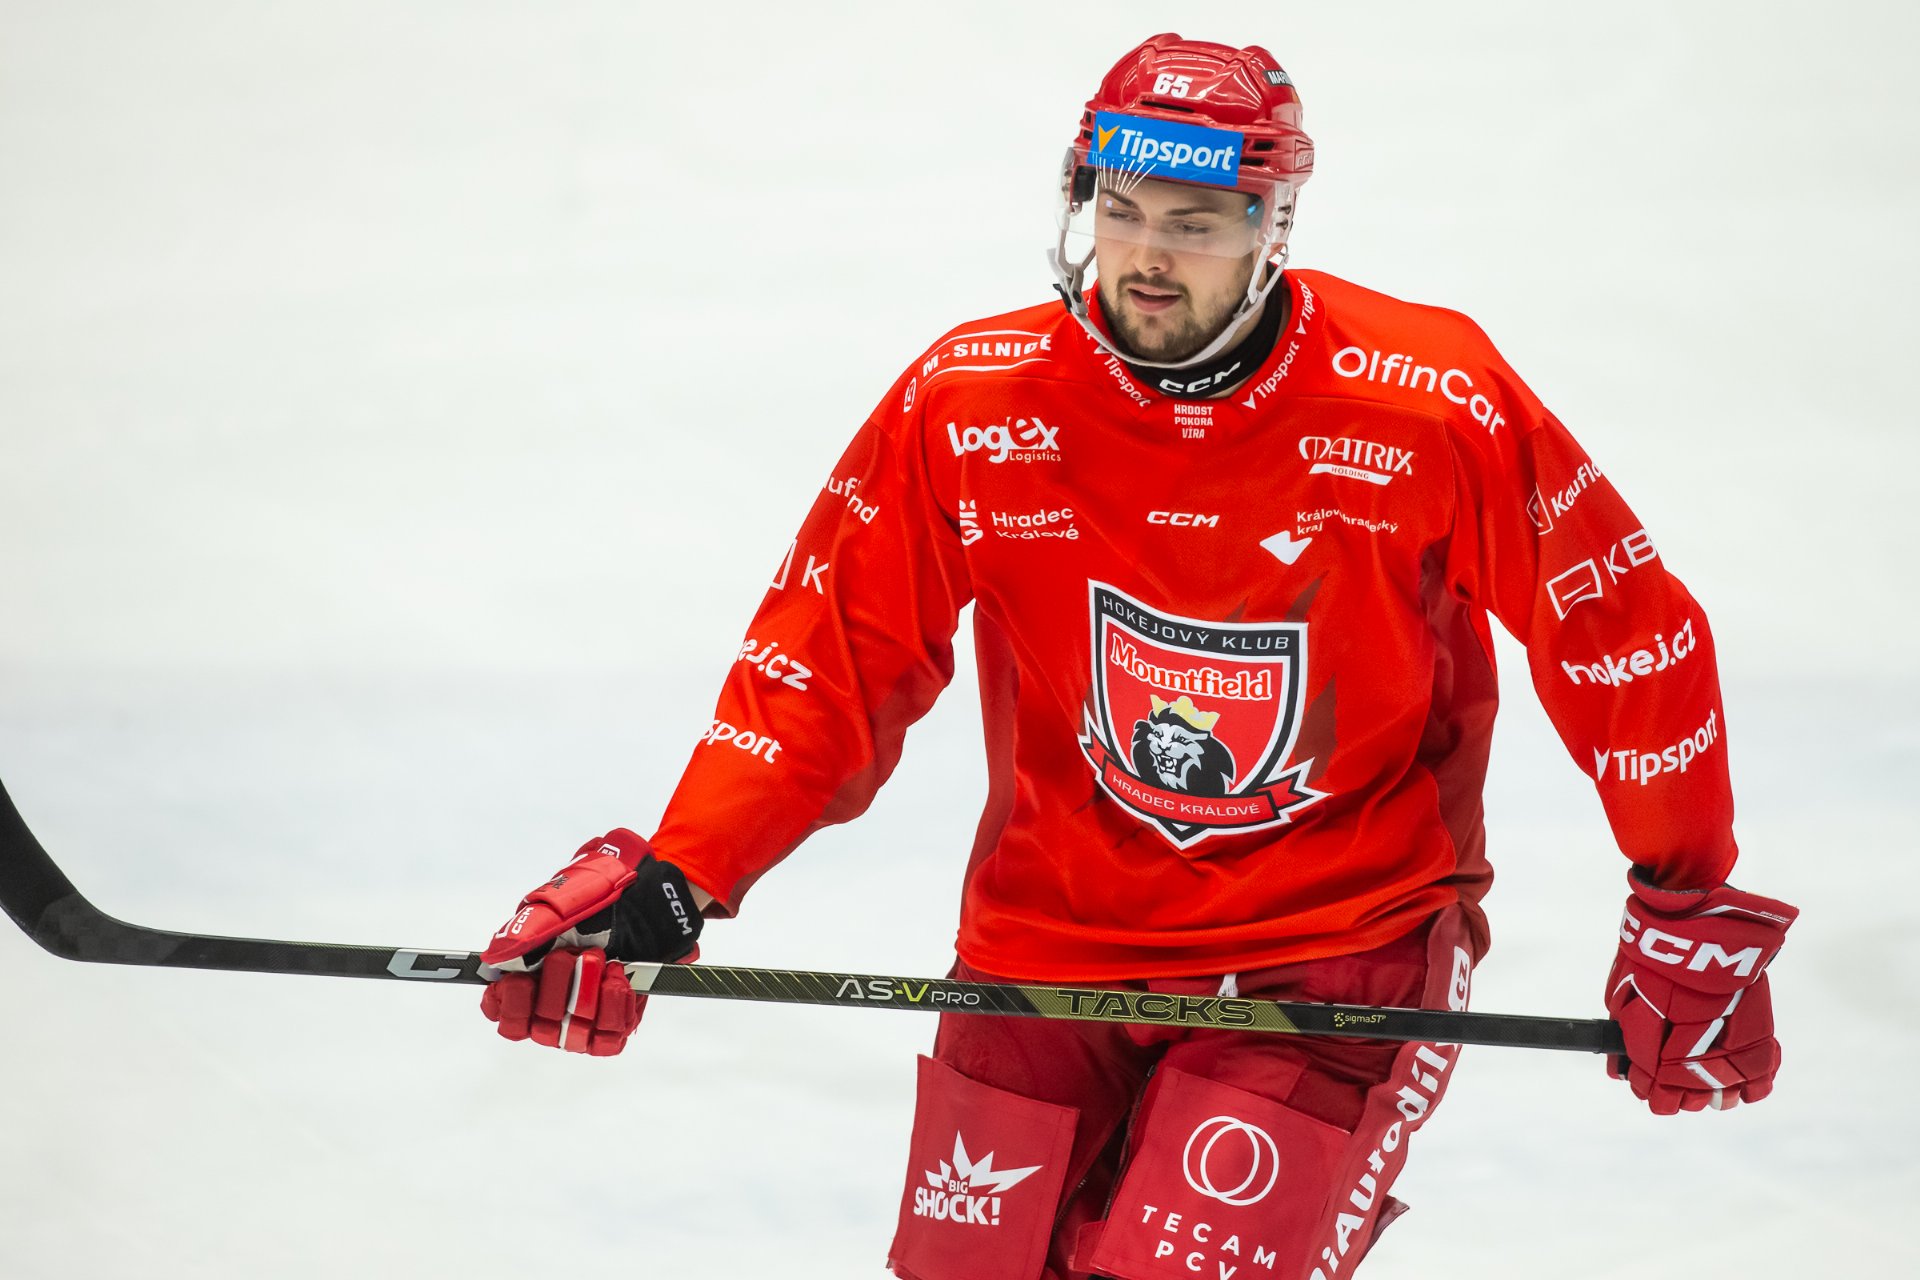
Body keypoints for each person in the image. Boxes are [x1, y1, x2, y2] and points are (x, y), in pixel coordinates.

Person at [475, 33, 1799, 1280]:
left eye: (1196, 222)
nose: (1149, 257)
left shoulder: (1426, 400)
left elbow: (1624, 635)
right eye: (1123, 210)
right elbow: (831, 659)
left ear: (1271, 228)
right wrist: (679, 877)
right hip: (1043, 948)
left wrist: (1686, 904)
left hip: (1333, 953)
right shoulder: (970, 403)